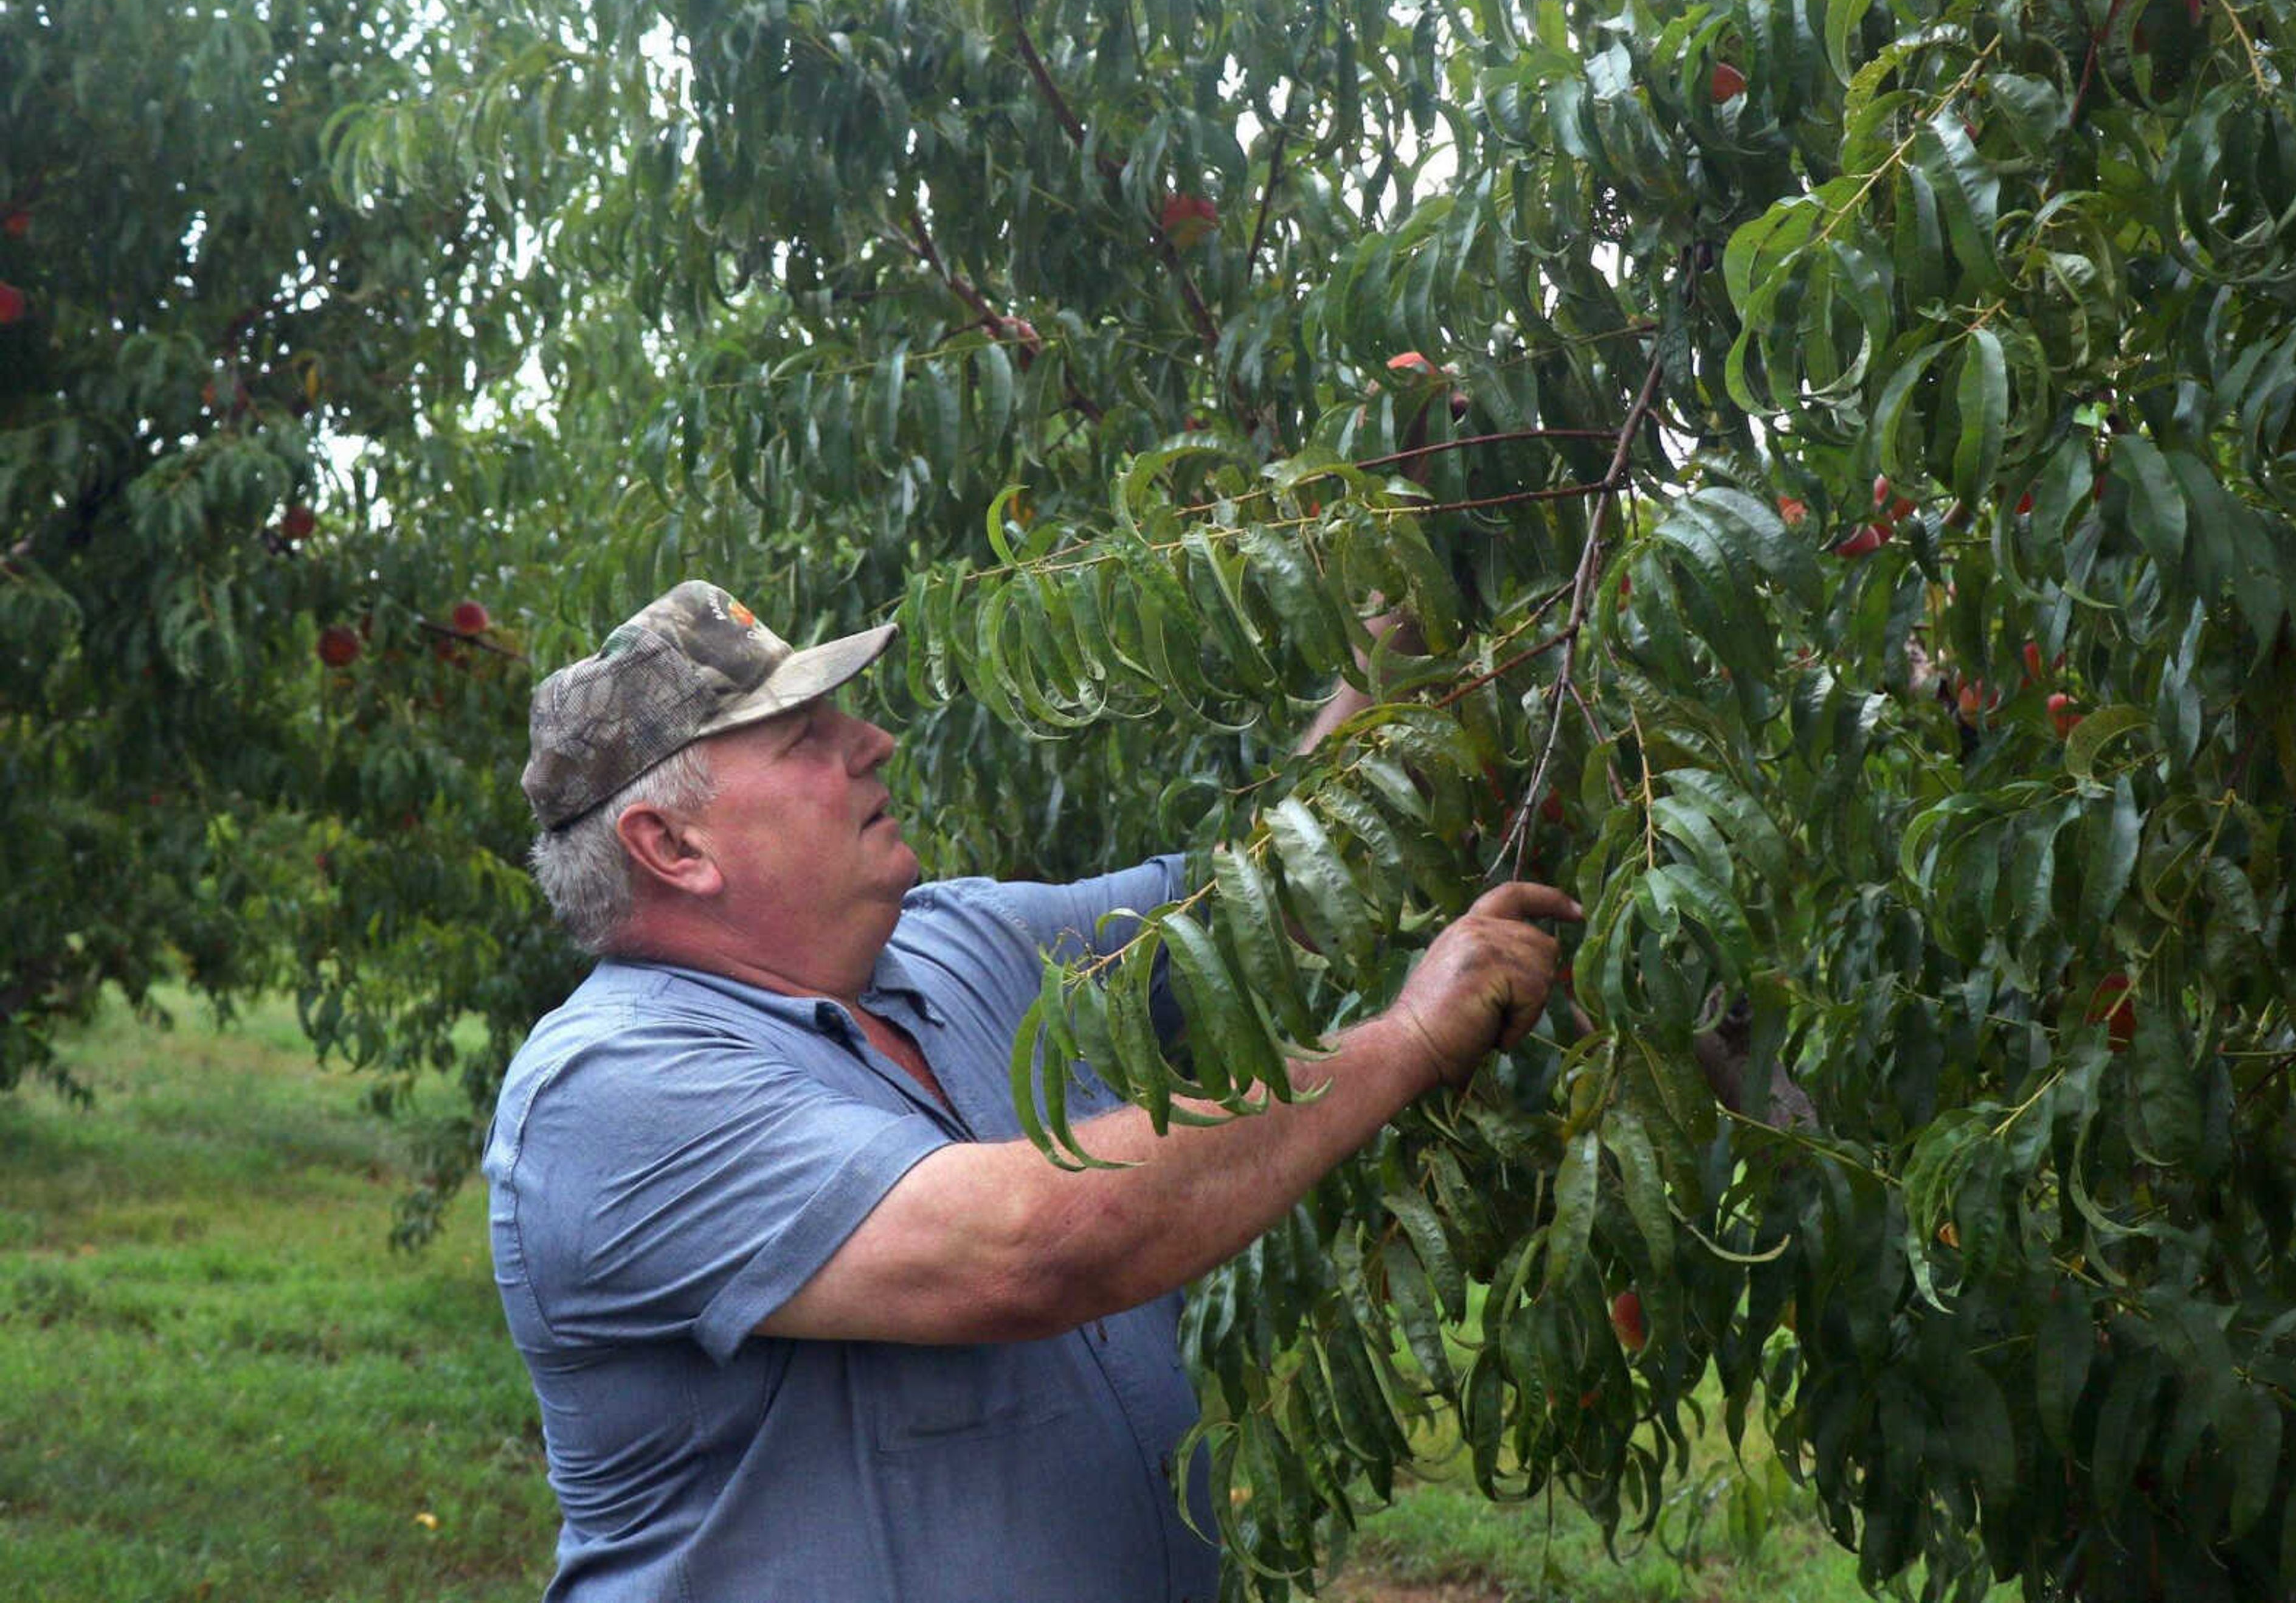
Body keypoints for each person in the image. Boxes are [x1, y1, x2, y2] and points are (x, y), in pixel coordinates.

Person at [486, 578, 1576, 1603]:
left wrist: (1406, 606)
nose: (875, 743)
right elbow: (1028, 1249)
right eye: (807, 738)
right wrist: (1404, 1042)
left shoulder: (959, 943)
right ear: (670, 842)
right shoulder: (607, 1093)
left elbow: (1278, 897)